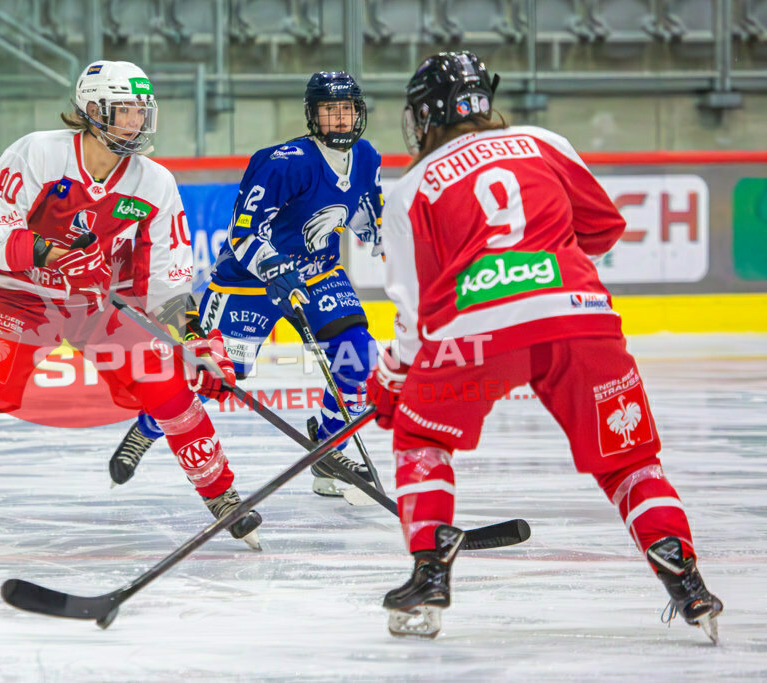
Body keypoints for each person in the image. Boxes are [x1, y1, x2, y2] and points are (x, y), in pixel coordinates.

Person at [367, 52, 723, 641]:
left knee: (422, 435)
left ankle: (431, 570)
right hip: (579, 319)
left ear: (426, 115)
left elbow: (417, 313)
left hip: (477, 331)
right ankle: (685, 579)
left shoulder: (410, 191)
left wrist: (394, 382)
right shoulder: (543, 141)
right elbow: (605, 226)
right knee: (629, 460)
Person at [0, 59, 262, 553]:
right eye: (122, 111)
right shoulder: (38, 153)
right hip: (19, 295)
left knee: (171, 386)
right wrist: (57, 256)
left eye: (140, 112)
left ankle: (224, 497)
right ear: (91, 111)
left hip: (95, 305)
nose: (134, 122)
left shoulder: (154, 183)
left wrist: (196, 340)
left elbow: (165, 280)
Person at [107, 71, 383, 499]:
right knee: (216, 378)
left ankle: (330, 452)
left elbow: (372, 222)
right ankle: (147, 426)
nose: (341, 118)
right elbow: (243, 233)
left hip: (319, 275)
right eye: (330, 110)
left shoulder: (367, 158)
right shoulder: (282, 162)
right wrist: (275, 266)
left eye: (347, 109)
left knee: (358, 356)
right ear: (313, 115)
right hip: (249, 283)